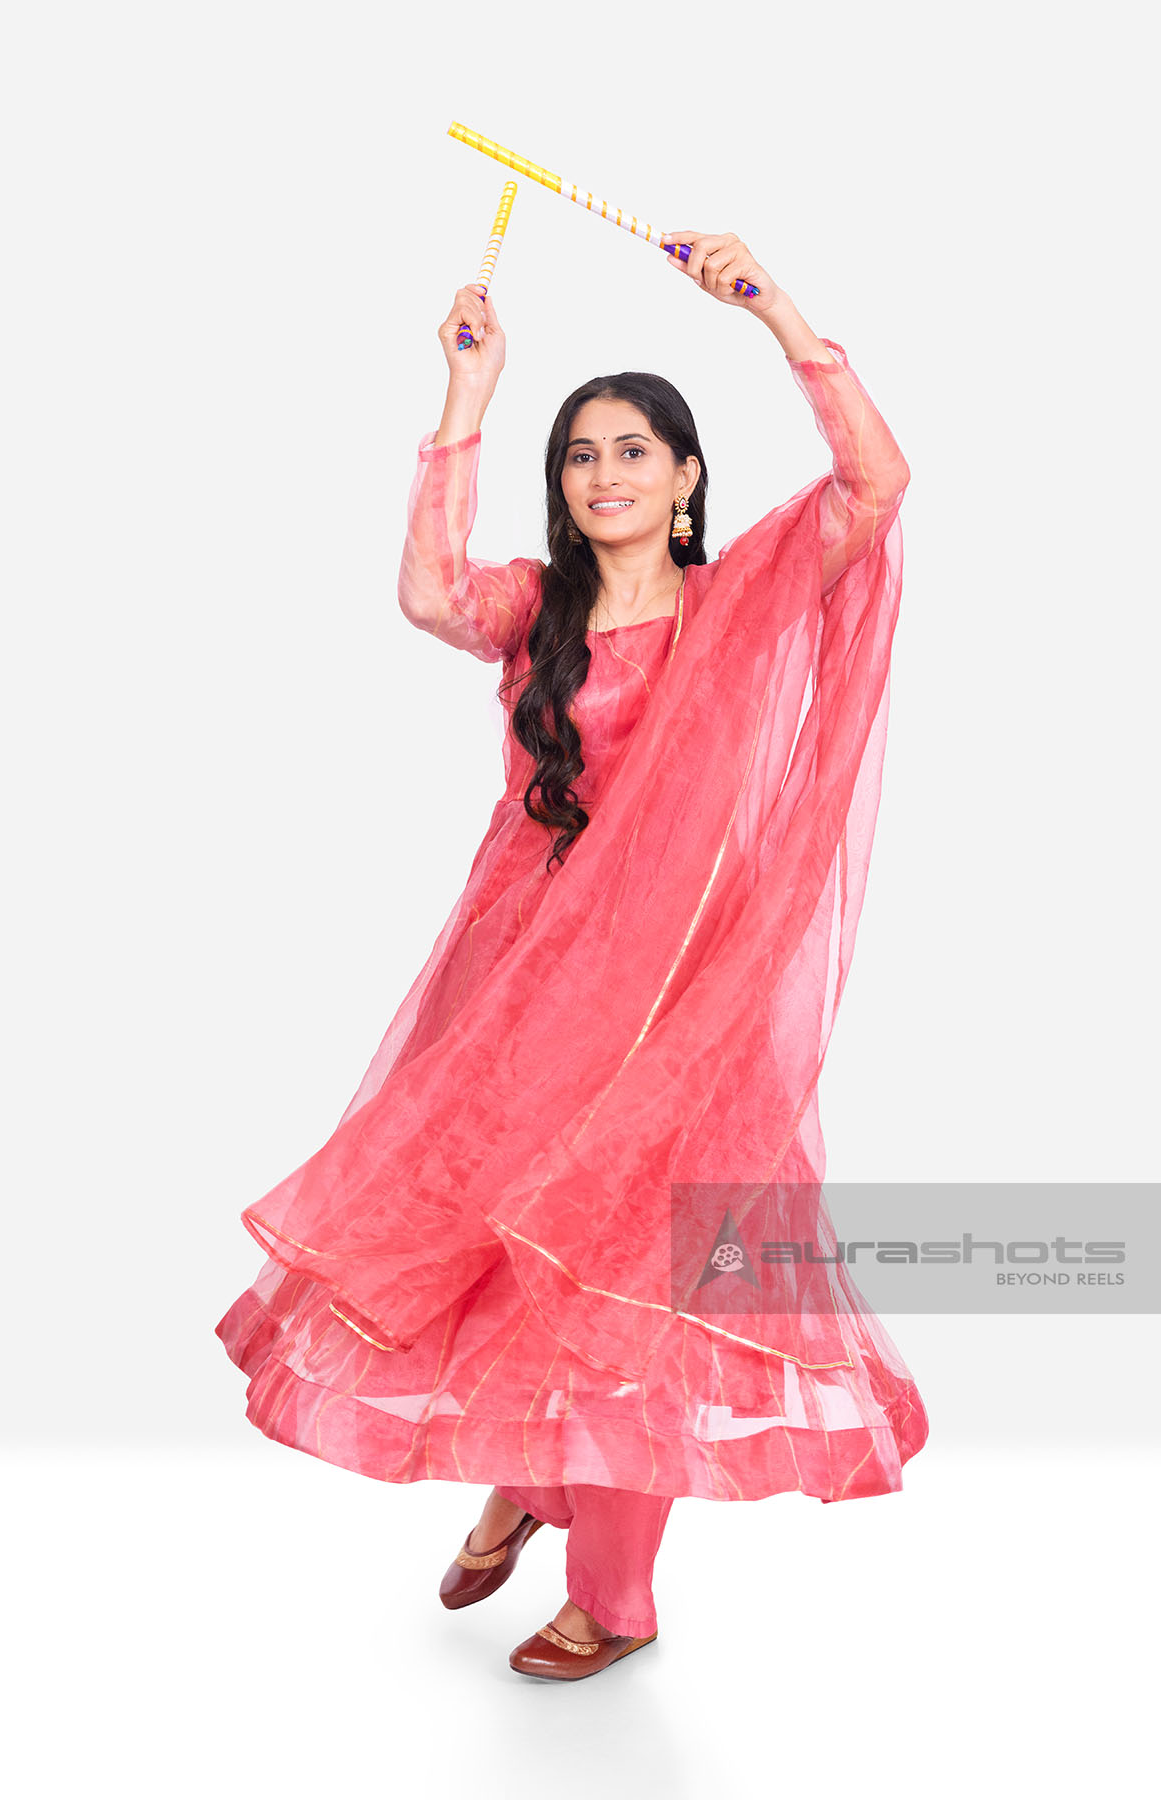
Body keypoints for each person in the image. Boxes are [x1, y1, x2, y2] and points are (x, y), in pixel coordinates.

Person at [215, 229, 928, 1683]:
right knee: (504, 1238)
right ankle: (533, 1477)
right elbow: (428, 593)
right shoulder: (535, 610)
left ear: (685, 478)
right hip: (525, 985)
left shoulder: (744, 596)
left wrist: (772, 307)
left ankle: (616, 1594)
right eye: (581, 455)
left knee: (640, 1280)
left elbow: (874, 484)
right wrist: (469, 397)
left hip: (685, 1003)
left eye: (634, 451)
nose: (605, 474)